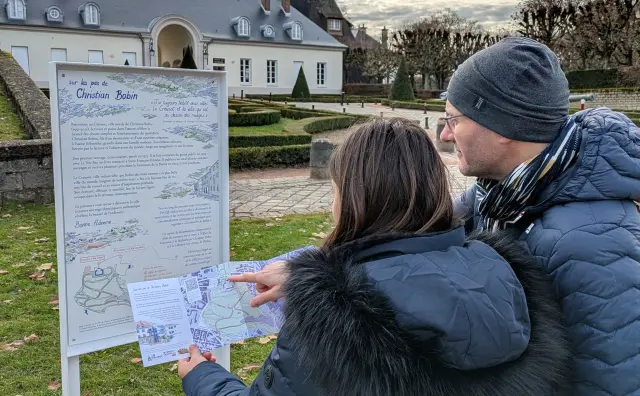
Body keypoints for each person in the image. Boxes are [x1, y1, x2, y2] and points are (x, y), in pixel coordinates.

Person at [178, 118, 571, 396]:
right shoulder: (506, 275)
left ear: (352, 200)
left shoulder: (330, 320)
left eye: (335, 191)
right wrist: (309, 277)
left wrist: (202, 377)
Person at [438, 36, 640, 395]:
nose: (445, 134)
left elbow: (614, 382)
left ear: (501, 125)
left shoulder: (591, 243)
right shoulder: (501, 193)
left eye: (453, 120)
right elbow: (431, 223)